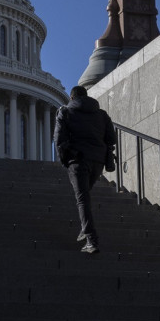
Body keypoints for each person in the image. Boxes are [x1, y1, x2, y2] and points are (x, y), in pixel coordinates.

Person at [54, 85, 116, 254]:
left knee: (82, 199)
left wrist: (65, 160)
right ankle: (85, 228)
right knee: (84, 196)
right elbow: (112, 138)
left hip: (78, 160)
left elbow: (59, 139)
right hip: (98, 161)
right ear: (86, 96)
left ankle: (91, 239)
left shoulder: (65, 112)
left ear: (72, 98)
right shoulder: (101, 114)